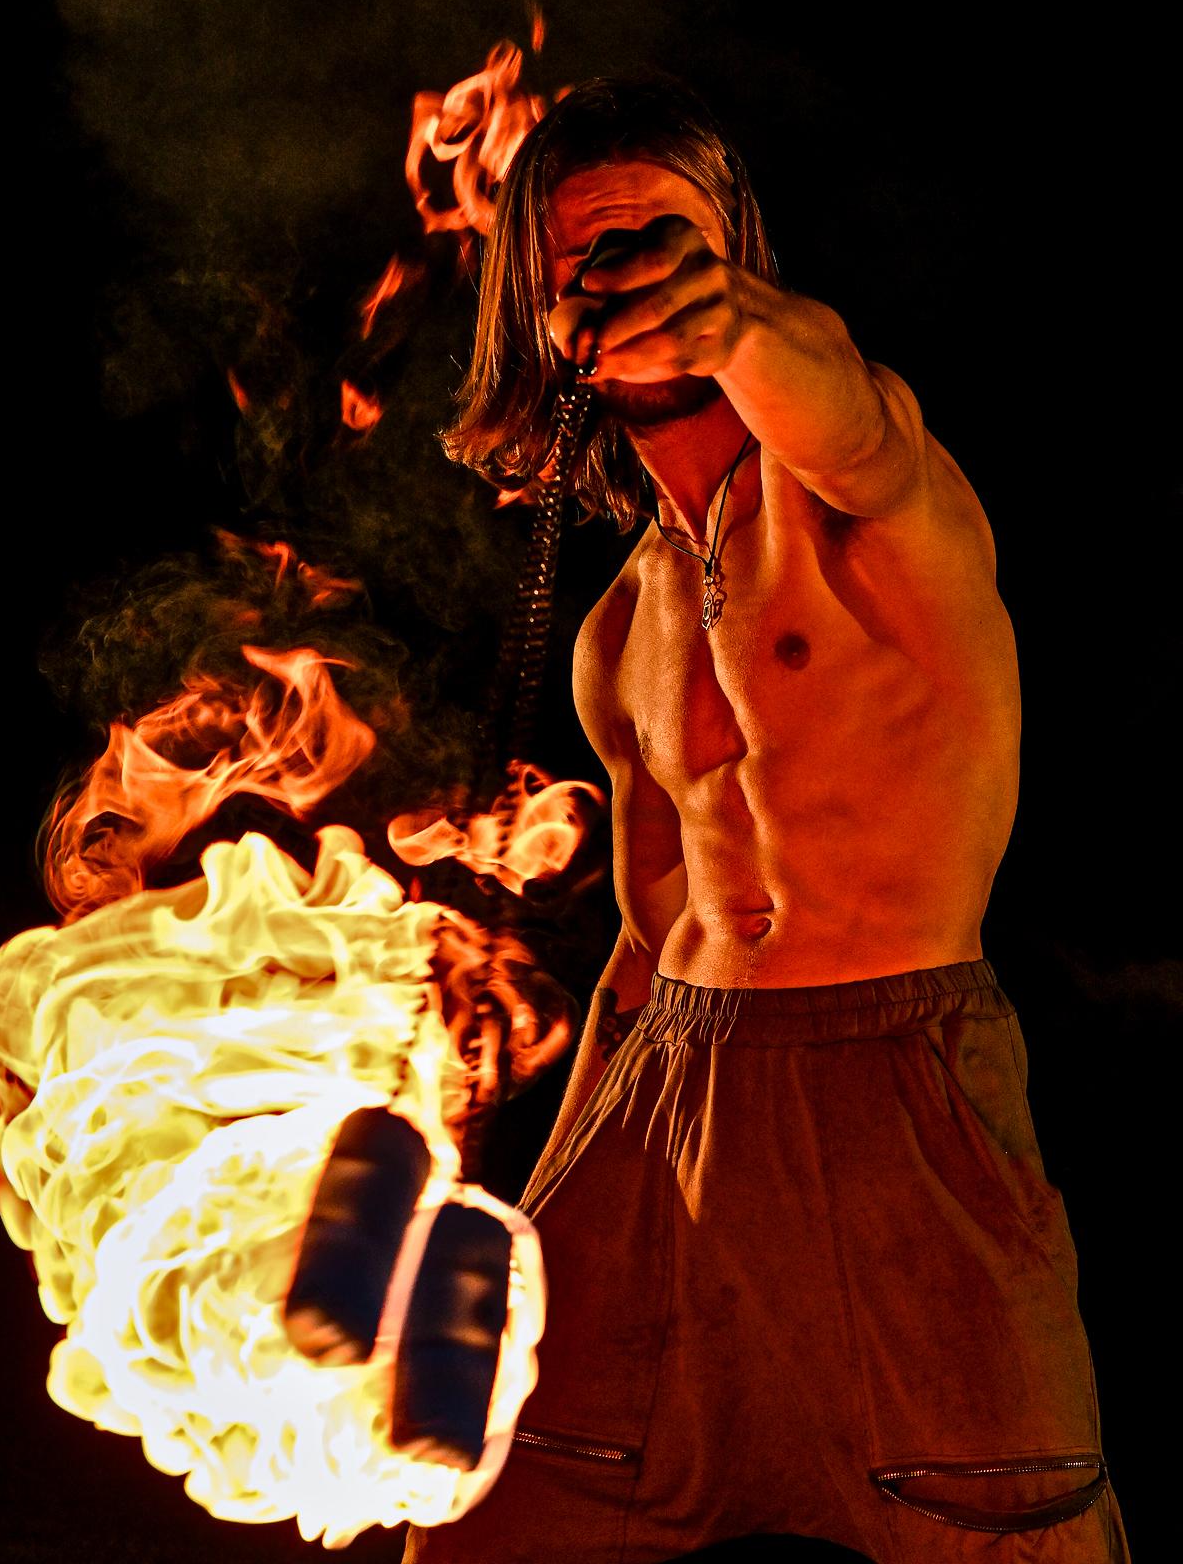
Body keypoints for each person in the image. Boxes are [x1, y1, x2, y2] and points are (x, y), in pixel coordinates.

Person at [402, 78, 1127, 1562]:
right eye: (575, 262)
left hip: (902, 1088)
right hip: (673, 1091)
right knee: (491, 1500)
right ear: (537, 319)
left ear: (734, 254)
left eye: (657, 241)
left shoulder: (878, 494)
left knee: (1004, 1531)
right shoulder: (618, 631)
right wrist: (522, 1231)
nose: (615, 278)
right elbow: (643, 941)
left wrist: (725, 319)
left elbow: (843, 406)